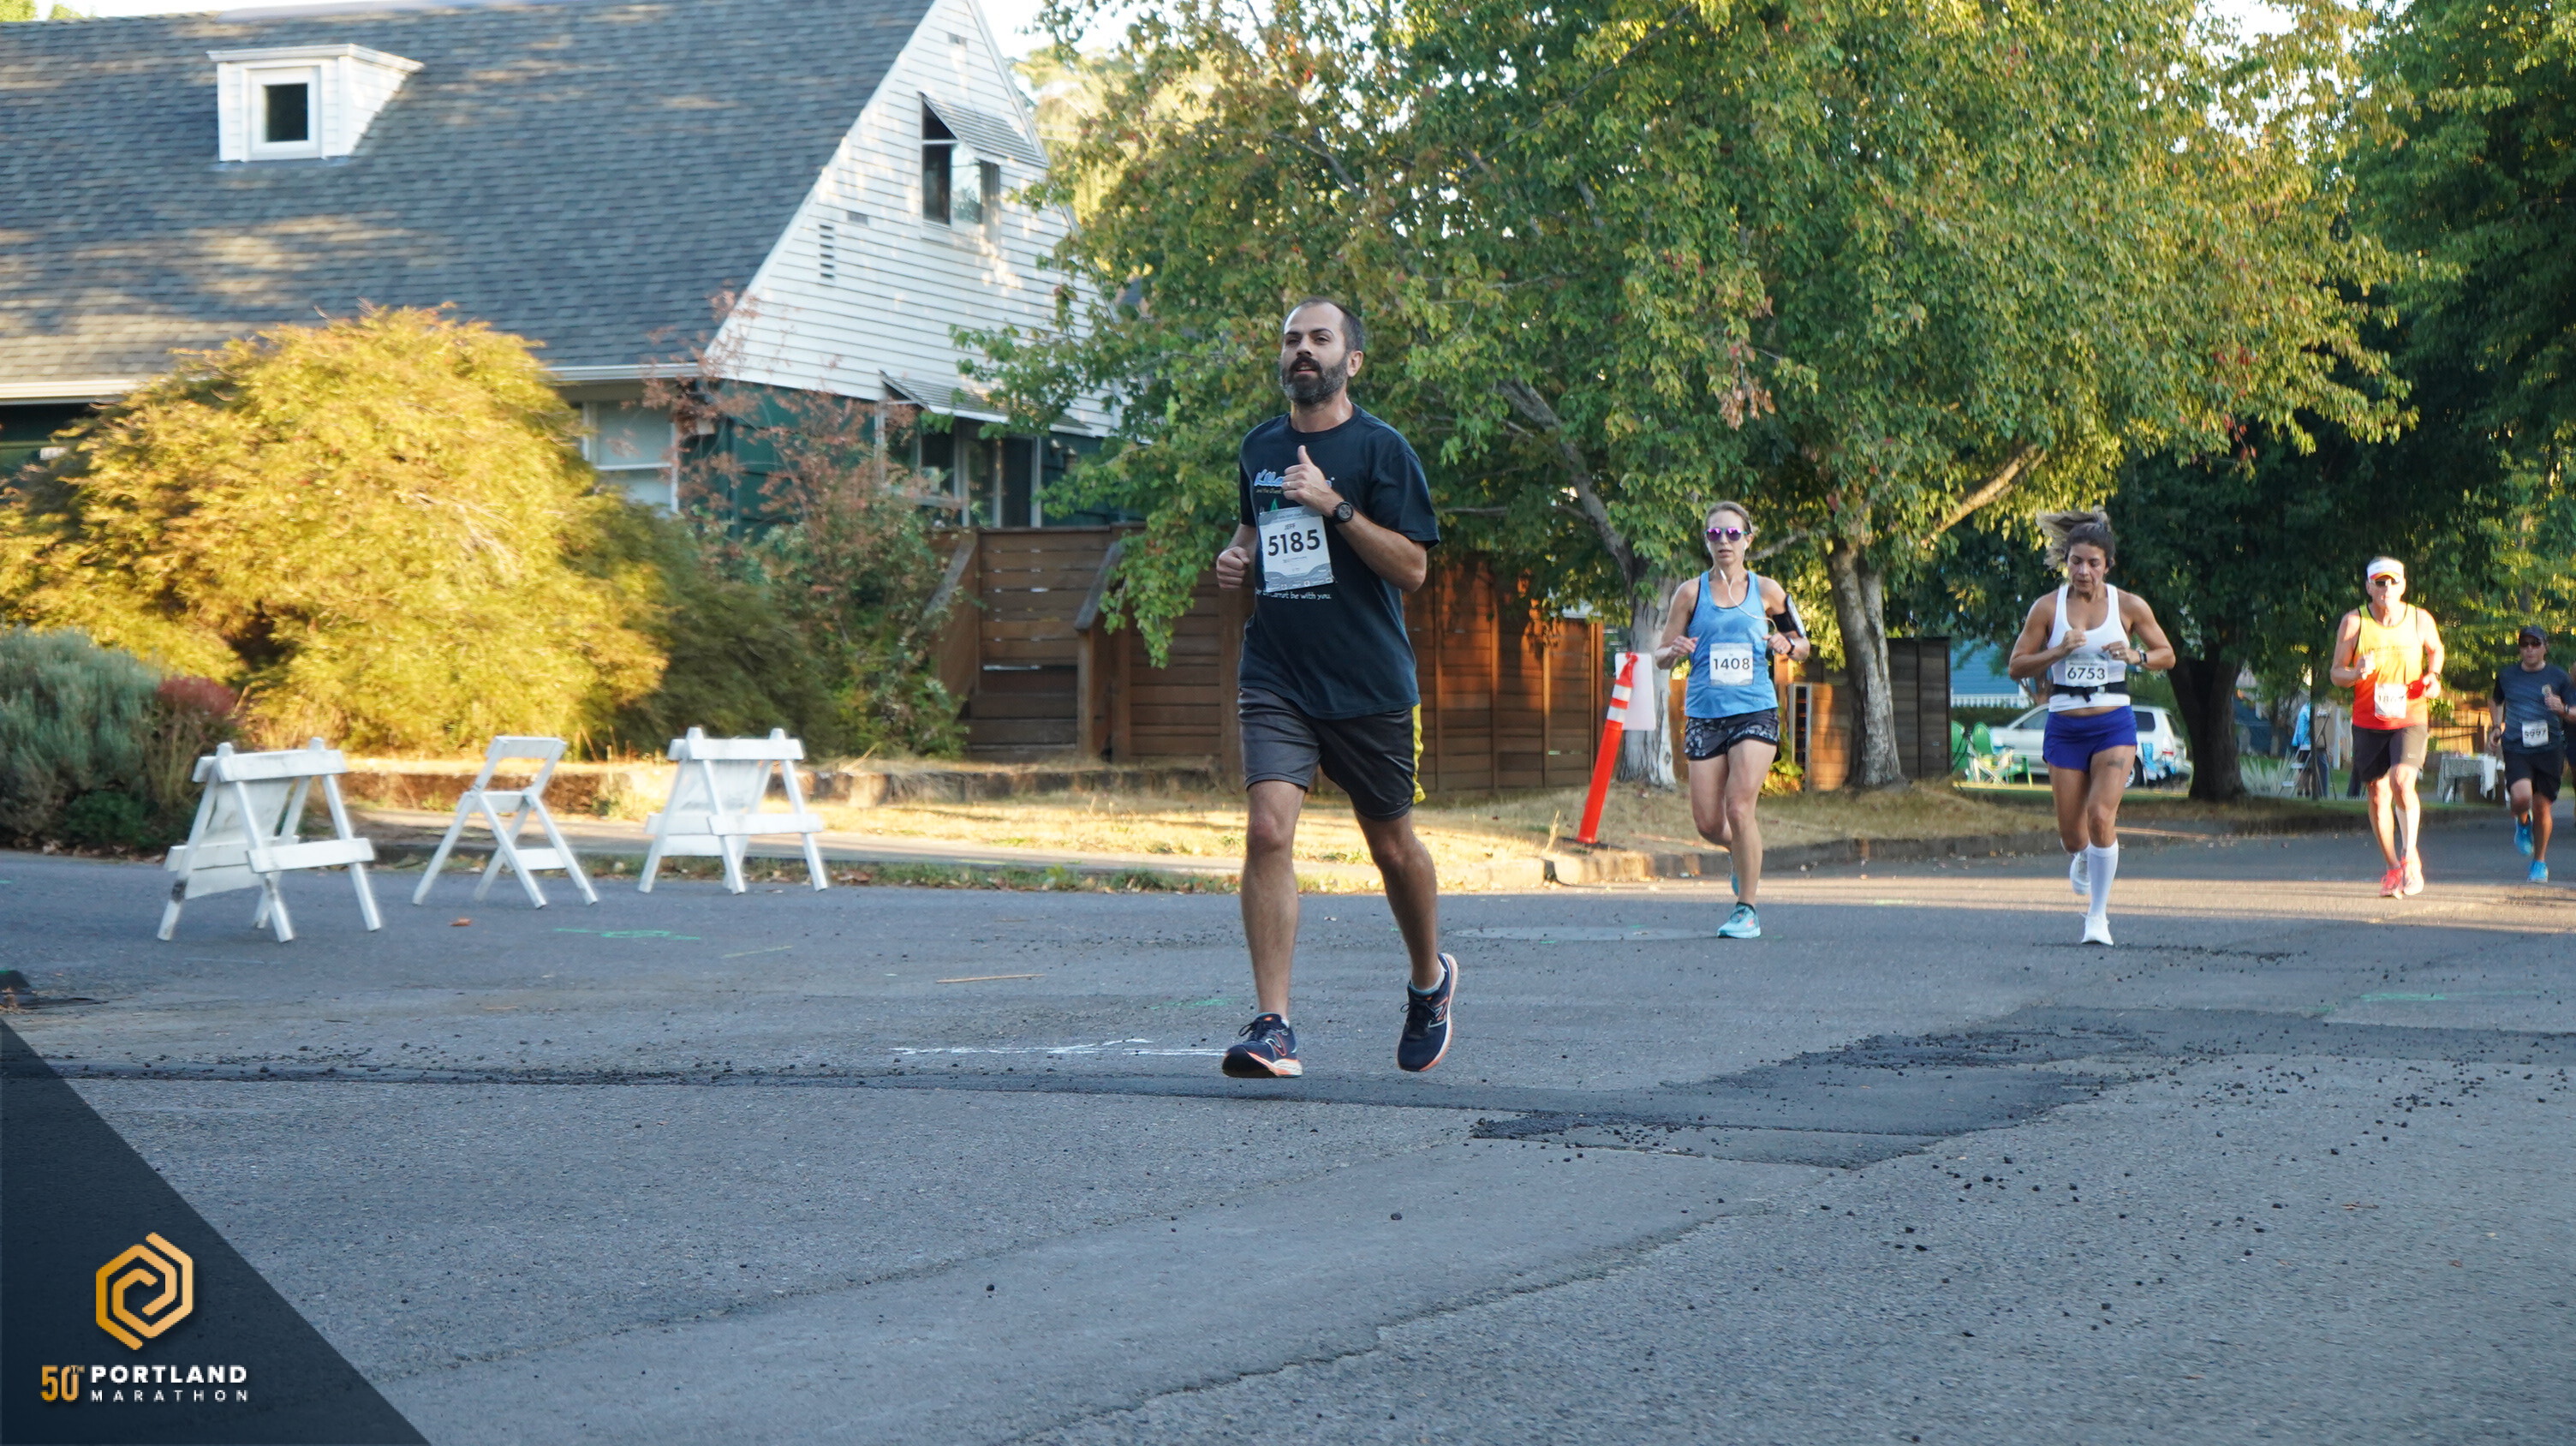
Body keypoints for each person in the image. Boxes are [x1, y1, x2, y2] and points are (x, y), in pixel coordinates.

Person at [1210, 298, 1452, 1079]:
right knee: (1267, 831)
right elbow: (1252, 530)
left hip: (1368, 680)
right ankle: (1273, 1025)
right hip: (1277, 670)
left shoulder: (1383, 450)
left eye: (1320, 338)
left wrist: (1335, 505)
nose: (1302, 350)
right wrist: (1236, 556)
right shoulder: (1258, 448)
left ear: (1352, 360)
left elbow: (1413, 568)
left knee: (1392, 847)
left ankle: (1429, 981)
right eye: (1292, 339)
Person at [2005, 511, 2176, 946]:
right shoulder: (2048, 608)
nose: (2083, 571)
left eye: (2093, 563)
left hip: (2113, 723)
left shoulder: (2129, 606)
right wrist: (2057, 651)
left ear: (2108, 566)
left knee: (2101, 816)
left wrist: (2136, 657)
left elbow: (2167, 654)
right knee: (2073, 836)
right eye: (2076, 562)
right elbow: (2016, 666)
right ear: (2066, 562)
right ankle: (2082, 855)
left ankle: (2097, 917)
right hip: (2065, 726)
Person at [1649, 501, 1812, 939]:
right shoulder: (1690, 594)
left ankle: (1747, 909)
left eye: (1733, 534)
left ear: (1748, 540)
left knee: (1739, 806)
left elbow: (1803, 644)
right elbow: (1661, 655)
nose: (1724, 541)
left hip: (1755, 710)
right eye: (1715, 534)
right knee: (1708, 823)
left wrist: (1787, 645)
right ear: (1706, 541)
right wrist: (1674, 651)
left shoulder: (1767, 591)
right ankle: (1743, 856)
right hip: (1705, 713)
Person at [2329, 558, 2446, 896]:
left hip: (2410, 715)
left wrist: (2433, 676)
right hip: (2369, 719)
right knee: (2378, 793)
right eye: (2380, 582)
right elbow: (2336, 673)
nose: (2387, 588)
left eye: (2393, 582)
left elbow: (2436, 650)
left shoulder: (2420, 619)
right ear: (2369, 586)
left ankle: (2410, 857)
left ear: (2403, 585)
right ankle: (2393, 867)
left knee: (2401, 780)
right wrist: (2356, 673)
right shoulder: (2354, 622)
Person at [2491, 624, 2569, 883]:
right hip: (2517, 746)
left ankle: (2539, 862)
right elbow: (2495, 700)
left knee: (2543, 807)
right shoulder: (2507, 675)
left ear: (2546, 647)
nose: (2530, 649)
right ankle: (2522, 822)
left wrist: (2562, 708)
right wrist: (2496, 726)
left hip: (2549, 749)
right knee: (2522, 796)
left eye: (2535, 644)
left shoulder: (2559, 677)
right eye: (2524, 644)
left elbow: (2573, 710)